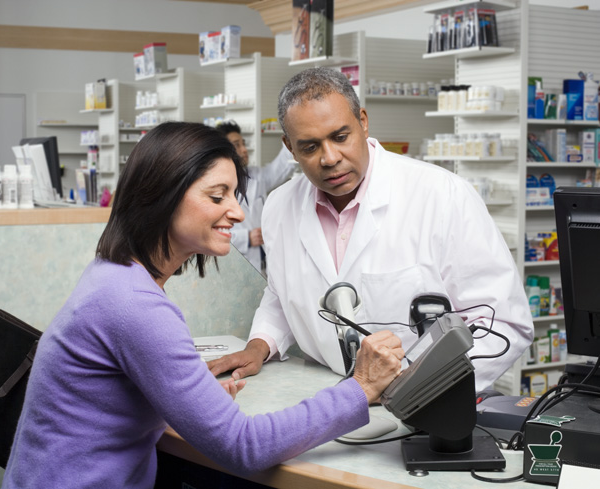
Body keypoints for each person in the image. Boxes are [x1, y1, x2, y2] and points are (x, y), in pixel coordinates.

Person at [2, 122, 404, 488]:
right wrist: (360, 388)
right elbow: (243, 447)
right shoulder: (133, 305)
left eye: (234, 194)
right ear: (162, 196)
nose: (238, 212)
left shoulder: (112, 273)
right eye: (217, 196)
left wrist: (188, 398)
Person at [208, 68, 534, 391]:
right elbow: (282, 295)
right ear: (290, 148)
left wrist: (417, 389)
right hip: (329, 396)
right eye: (309, 147)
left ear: (363, 122)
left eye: (340, 137)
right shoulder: (280, 206)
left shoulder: (442, 195)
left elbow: (500, 323)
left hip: (426, 403)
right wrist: (260, 344)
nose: (330, 158)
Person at [217, 121, 296, 273]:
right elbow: (209, 234)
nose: (244, 150)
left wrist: (293, 134)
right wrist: (246, 237)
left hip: (263, 258)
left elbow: (281, 167)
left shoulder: (256, 176)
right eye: (236, 145)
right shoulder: (216, 188)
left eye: (243, 144)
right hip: (235, 264)